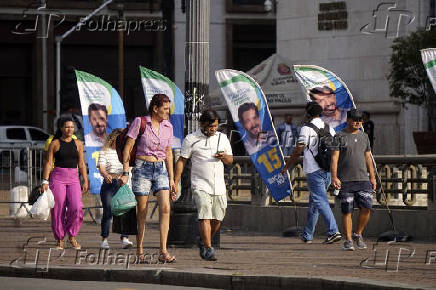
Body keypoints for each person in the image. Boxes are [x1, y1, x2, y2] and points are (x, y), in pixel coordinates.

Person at [120, 94, 177, 263]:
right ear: (155, 108)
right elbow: (128, 146)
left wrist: (172, 179)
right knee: (142, 212)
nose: (168, 112)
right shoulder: (140, 122)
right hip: (142, 168)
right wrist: (125, 172)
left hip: (161, 169)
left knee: (165, 208)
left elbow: (168, 152)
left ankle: (163, 251)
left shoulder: (168, 126)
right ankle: (139, 251)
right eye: (165, 109)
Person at [174, 109, 233, 261]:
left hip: (219, 185)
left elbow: (230, 160)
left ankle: (202, 240)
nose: (213, 129)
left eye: (215, 126)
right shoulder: (191, 139)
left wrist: (224, 157)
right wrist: (175, 181)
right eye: (210, 126)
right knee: (204, 214)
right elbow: (182, 160)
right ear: (202, 124)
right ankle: (208, 248)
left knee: (218, 218)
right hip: (200, 184)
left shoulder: (222, 138)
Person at [281, 102, 341, 244]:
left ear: (307, 114)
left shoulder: (306, 129)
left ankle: (333, 231)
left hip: (314, 171)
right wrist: (334, 174)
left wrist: (286, 166)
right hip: (326, 171)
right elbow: (335, 152)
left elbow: (298, 151)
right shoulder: (330, 128)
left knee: (320, 201)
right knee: (315, 203)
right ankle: (307, 235)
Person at [331, 109, 376, 251]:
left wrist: (373, 176)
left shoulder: (364, 137)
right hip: (345, 181)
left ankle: (358, 233)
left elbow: (368, 157)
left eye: (360, 120)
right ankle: (349, 240)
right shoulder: (339, 136)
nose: (358, 122)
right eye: (355, 119)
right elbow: (334, 158)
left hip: (363, 179)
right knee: (347, 211)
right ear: (348, 120)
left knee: (367, 208)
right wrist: (334, 176)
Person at [40, 117, 88, 250]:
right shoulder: (54, 143)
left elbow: (82, 163)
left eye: (72, 127)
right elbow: (49, 163)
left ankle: (72, 236)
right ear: (61, 128)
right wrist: (45, 181)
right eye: (67, 127)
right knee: (58, 208)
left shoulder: (78, 143)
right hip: (58, 178)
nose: (70, 129)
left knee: (76, 207)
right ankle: (59, 239)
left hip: (73, 178)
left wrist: (85, 179)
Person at [98, 129, 134, 249]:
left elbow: (128, 167)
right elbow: (101, 167)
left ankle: (125, 238)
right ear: (112, 139)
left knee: (125, 211)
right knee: (108, 212)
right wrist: (105, 174)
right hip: (109, 183)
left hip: (123, 184)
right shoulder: (105, 151)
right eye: (118, 138)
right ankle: (104, 239)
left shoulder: (126, 152)